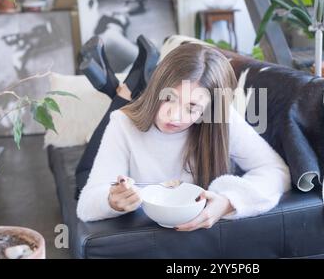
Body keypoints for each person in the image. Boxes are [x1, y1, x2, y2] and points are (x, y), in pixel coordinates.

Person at [76, 42, 290, 232]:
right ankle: (127, 88)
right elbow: (86, 205)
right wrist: (113, 201)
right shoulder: (122, 124)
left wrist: (228, 202)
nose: (175, 116)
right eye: (169, 98)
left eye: (192, 108)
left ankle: (131, 80)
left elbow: (275, 170)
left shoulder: (221, 120)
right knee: (83, 174)